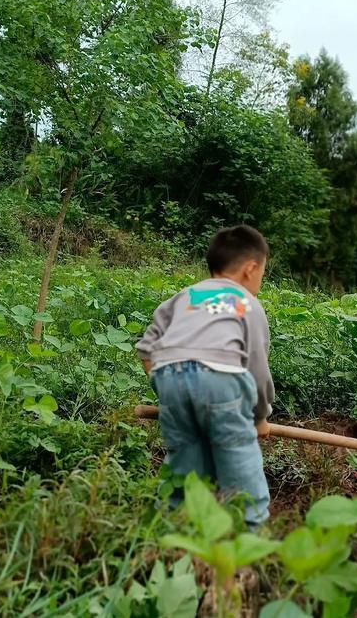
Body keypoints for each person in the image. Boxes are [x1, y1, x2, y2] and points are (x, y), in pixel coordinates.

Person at [136, 224, 274, 526]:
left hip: (168, 375)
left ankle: (168, 533)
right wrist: (260, 418)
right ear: (251, 269)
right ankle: (248, 540)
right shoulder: (247, 303)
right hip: (220, 381)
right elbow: (257, 368)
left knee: (185, 466)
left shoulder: (184, 297)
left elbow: (147, 350)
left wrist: (175, 391)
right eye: (263, 272)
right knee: (239, 461)